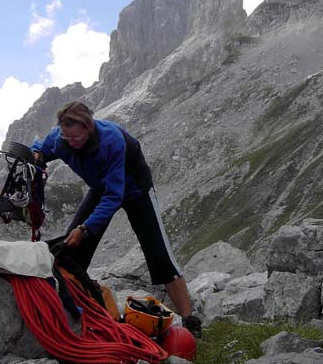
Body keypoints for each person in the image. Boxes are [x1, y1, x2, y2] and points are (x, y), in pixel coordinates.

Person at [32, 101, 201, 337]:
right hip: (101, 188)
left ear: (89, 127)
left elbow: (114, 196)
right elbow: (42, 148)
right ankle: (76, 312)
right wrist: (36, 153)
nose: (71, 142)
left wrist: (85, 227)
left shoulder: (110, 140)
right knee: (70, 252)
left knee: (159, 255)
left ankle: (190, 321)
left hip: (136, 192)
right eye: (66, 137)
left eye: (76, 137)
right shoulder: (61, 138)